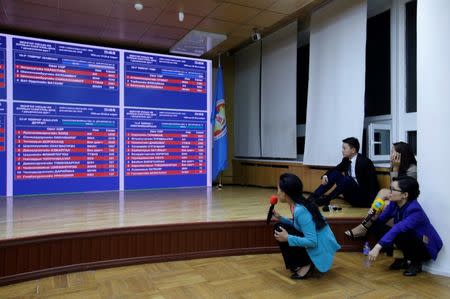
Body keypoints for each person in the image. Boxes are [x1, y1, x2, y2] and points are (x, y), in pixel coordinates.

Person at [367, 176, 443, 276]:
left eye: (393, 189)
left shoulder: (415, 210)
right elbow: (382, 219)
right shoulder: (394, 203)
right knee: (376, 226)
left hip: (425, 247)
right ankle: (402, 258)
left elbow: (398, 228)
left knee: (403, 233)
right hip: (408, 238)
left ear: (405, 194)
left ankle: (416, 262)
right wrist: (374, 215)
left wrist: (377, 247)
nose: (389, 192)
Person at [272, 173, 341, 279]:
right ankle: (299, 263)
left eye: (278, 189)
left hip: (319, 247)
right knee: (280, 226)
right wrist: (280, 217)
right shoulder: (296, 204)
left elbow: (312, 242)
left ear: (285, 193)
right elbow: (299, 226)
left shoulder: (300, 210)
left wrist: (287, 238)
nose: (277, 192)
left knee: (280, 230)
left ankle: (306, 264)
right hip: (316, 241)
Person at [345, 142, 417, 238]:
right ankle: (366, 222)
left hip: (407, 200)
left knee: (385, 204)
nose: (390, 155)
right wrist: (395, 167)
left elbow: (399, 189)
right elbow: (392, 188)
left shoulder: (412, 169)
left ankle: (365, 226)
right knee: (382, 192)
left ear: (400, 155)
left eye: (392, 152)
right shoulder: (399, 165)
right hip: (399, 196)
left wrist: (395, 167)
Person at [309, 137, 379, 208]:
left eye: (344, 148)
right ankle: (313, 197)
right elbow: (335, 169)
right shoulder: (346, 160)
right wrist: (325, 176)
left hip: (362, 198)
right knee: (336, 173)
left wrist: (372, 204)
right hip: (350, 195)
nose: (342, 151)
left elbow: (373, 184)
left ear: (353, 150)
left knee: (347, 179)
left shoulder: (365, 162)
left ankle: (326, 199)